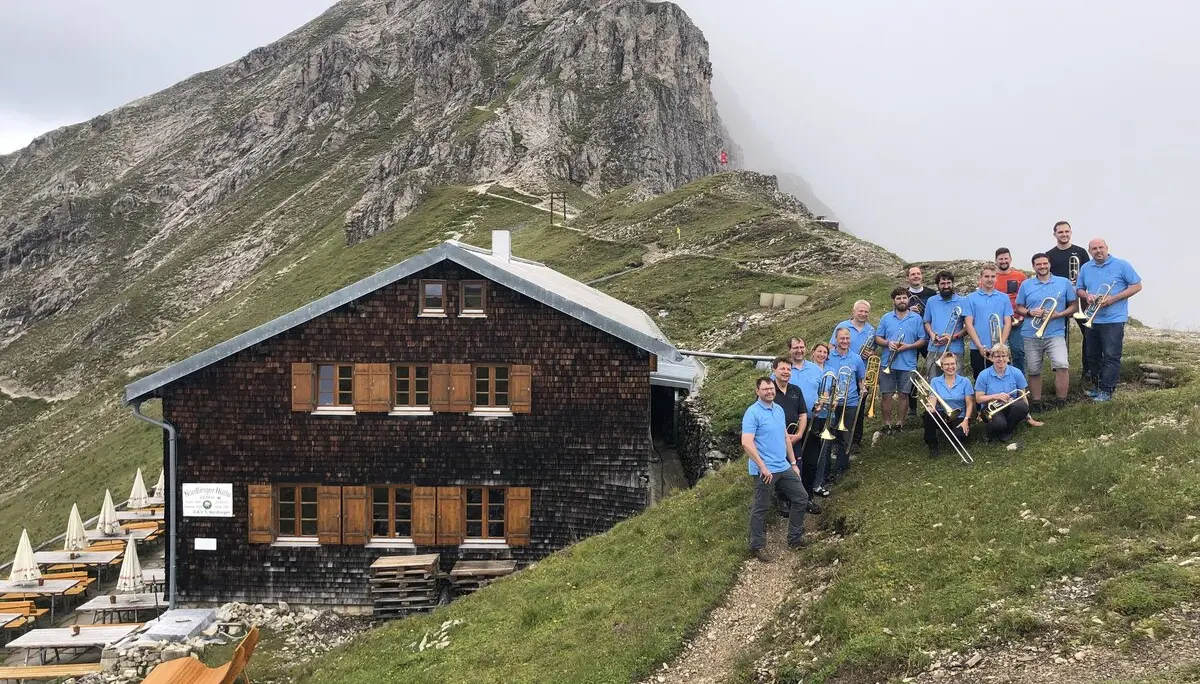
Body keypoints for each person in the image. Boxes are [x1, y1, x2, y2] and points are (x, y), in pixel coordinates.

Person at [742, 377, 809, 562]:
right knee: (761, 507)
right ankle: (757, 546)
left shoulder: (778, 409)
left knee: (801, 497)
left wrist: (793, 463)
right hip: (764, 471)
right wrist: (762, 467)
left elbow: (786, 438)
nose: (769, 392)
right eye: (765, 389)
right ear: (757, 391)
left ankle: (794, 539)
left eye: (771, 388)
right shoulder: (752, 412)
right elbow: (746, 443)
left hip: (783, 466)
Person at [1076, 238, 1143, 402]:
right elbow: (1079, 289)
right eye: (1094, 249)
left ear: (1107, 248)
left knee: (1111, 356)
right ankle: (1097, 386)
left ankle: (1107, 390)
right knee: (1092, 355)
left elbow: (1137, 286)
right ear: (1090, 251)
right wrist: (1087, 296)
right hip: (1093, 318)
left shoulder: (1121, 265)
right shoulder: (1086, 267)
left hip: (1114, 319)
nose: (1098, 251)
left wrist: (1113, 299)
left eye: (1101, 247)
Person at [1015, 253, 1078, 408]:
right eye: (1038, 264)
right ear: (1033, 266)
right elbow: (1019, 307)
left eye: (1045, 263)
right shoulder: (1026, 284)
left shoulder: (1063, 282)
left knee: (1062, 365)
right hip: (1031, 333)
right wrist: (1030, 312)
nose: (1042, 266)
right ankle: (1036, 403)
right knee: (1034, 370)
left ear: (1049, 264)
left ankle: (1061, 402)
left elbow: (1074, 306)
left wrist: (1059, 314)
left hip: (1056, 333)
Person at [817, 328, 867, 490]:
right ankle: (824, 470)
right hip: (831, 403)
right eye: (841, 338)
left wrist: (863, 388)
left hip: (850, 402)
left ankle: (841, 468)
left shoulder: (856, 358)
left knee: (846, 437)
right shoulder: (828, 357)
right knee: (828, 437)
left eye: (847, 338)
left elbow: (861, 380)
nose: (845, 341)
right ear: (836, 339)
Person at [874, 287, 927, 434]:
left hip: (908, 363)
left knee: (904, 394)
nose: (902, 301)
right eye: (898, 298)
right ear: (894, 301)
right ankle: (887, 424)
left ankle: (900, 424)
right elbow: (878, 338)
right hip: (888, 362)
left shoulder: (916, 318)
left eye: (904, 298)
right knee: (886, 394)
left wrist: (909, 346)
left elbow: (923, 340)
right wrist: (887, 343)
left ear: (908, 300)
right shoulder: (886, 318)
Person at [1046, 221, 1092, 384]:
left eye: (1067, 231)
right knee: (1059, 336)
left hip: (1079, 299)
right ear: (1055, 234)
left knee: (1089, 334)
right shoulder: (1049, 255)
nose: (1064, 234)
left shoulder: (1080, 252)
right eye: (1060, 232)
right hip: (1060, 301)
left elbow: (1088, 273)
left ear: (1071, 232)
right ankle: (1060, 371)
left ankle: (1088, 370)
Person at [770, 357, 816, 516]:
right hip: (775, 440)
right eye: (782, 369)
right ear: (774, 370)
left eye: (788, 369)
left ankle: (800, 499)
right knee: (779, 469)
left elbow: (803, 414)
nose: (786, 372)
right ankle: (782, 499)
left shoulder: (796, 390)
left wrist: (799, 434)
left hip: (794, 438)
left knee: (796, 467)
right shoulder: (769, 390)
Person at [830, 300, 875, 449]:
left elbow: (873, 350)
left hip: (859, 371)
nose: (863, 314)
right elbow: (831, 346)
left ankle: (855, 439)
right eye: (860, 311)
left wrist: (870, 353)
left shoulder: (871, 329)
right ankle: (835, 440)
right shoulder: (842, 326)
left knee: (857, 409)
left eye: (866, 311)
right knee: (836, 407)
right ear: (853, 311)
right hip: (841, 370)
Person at [974, 345, 1032, 446]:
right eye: (997, 356)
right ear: (991, 358)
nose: (1001, 359)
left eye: (1004, 356)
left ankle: (1007, 431)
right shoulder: (984, 375)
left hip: (1010, 406)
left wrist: (1028, 417)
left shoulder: (1016, 372)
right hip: (991, 408)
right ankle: (991, 432)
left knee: (1023, 407)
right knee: (999, 424)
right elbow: (978, 399)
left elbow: (1022, 395)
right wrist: (995, 396)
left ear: (1008, 358)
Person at [964, 264, 1014, 378]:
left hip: (1000, 348)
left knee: (1002, 378)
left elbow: (1007, 323)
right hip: (977, 348)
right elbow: (968, 324)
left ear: (996, 278)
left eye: (992, 276)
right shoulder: (970, 298)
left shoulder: (1004, 298)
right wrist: (979, 346)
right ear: (980, 278)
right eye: (986, 276)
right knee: (980, 379)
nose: (990, 279)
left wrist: (1001, 345)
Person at [922, 354, 975, 459]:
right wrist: (930, 407)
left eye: (952, 364)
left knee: (958, 436)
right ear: (941, 367)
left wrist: (966, 420)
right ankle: (932, 444)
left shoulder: (965, 381)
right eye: (946, 364)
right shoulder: (935, 381)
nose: (950, 367)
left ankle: (957, 431)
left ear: (956, 365)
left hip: (960, 416)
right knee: (928, 415)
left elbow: (969, 403)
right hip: (943, 414)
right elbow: (933, 398)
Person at [799, 343, 832, 499]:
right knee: (803, 452)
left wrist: (829, 400)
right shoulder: (809, 369)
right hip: (807, 417)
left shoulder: (829, 372)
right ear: (812, 352)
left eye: (825, 352)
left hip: (824, 416)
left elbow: (826, 392)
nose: (822, 354)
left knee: (821, 452)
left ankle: (816, 484)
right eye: (819, 351)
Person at [903, 265, 937, 416]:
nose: (916, 276)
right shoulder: (903, 294)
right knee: (911, 370)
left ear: (922, 276)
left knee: (934, 369)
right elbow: (897, 312)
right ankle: (912, 408)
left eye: (918, 273)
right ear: (908, 278)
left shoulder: (931, 293)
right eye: (912, 274)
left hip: (928, 337)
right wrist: (908, 311)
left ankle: (936, 403)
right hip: (910, 338)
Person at [923, 270, 967, 378]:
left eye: (948, 283)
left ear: (952, 283)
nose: (946, 286)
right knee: (933, 381)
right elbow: (926, 322)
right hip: (934, 348)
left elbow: (968, 327)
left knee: (955, 381)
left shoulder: (963, 301)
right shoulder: (931, 301)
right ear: (938, 285)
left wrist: (953, 337)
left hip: (955, 349)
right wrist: (932, 335)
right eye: (942, 283)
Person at [994, 248, 1028, 373]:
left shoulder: (1020, 276)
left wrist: (1022, 315)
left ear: (1010, 259)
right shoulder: (992, 277)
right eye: (1000, 259)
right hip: (998, 322)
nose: (1003, 261)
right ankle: (1002, 378)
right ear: (996, 260)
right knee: (999, 353)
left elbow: (1026, 297)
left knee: (1018, 352)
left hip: (1017, 321)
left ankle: (1019, 379)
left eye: (1006, 258)